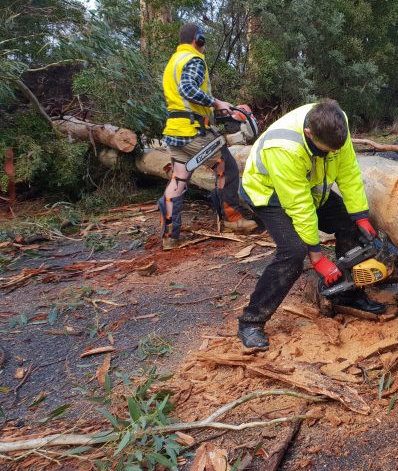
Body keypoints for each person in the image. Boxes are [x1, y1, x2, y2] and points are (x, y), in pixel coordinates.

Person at [237, 99, 385, 350]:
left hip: (310, 190)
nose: (328, 155)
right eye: (323, 151)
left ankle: (346, 294)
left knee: (350, 225)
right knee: (293, 252)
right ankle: (251, 322)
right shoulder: (283, 147)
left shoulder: (338, 123)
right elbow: (298, 204)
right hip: (269, 194)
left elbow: (348, 172)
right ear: (308, 133)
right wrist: (316, 257)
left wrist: (360, 215)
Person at [158, 23, 257, 250]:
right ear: (198, 40)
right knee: (228, 166)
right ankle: (232, 219)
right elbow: (188, 89)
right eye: (203, 43)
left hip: (175, 131)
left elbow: (183, 99)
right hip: (193, 133)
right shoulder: (193, 59)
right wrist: (216, 102)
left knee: (179, 181)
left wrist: (215, 110)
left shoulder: (173, 62)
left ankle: (170, 236)